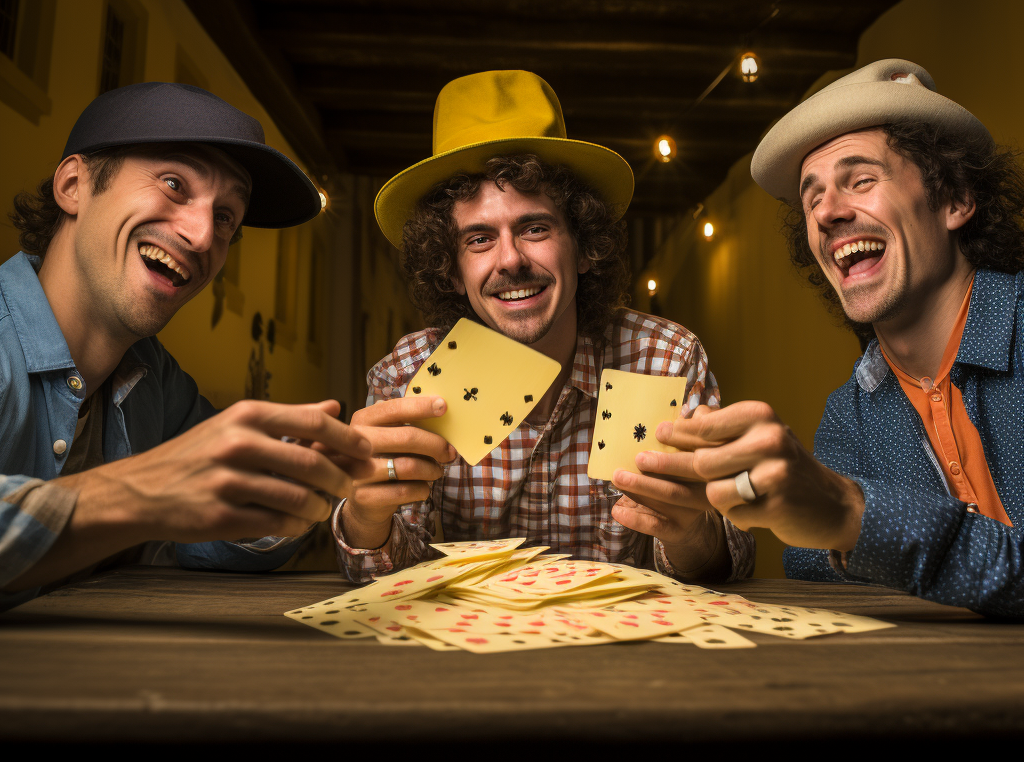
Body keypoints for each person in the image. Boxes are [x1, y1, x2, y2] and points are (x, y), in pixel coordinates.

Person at [331, 70, 755, 582]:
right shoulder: (405, 375)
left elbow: (729, 560)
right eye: (479, 239)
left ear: (583, 245)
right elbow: (383, 576)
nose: (510, 260)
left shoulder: (665, 360)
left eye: (535, 228)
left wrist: (692, 533)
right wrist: (364, 518)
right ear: (451, 267)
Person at [650, 58, 1024, 616]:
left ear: (955, 200)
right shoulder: (848, 418)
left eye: (861, 180)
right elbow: (814, 574)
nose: (827, 212)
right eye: (811, 198)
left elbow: (848, 539)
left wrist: (854, 514)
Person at [1, 83, 372, 608]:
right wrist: (142, 493)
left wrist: (319, 472)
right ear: (74, 185)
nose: (202, 236)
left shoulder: (156, 381)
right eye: (174, 184)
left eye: (226, 217)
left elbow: (216, 540)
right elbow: (162, 495)